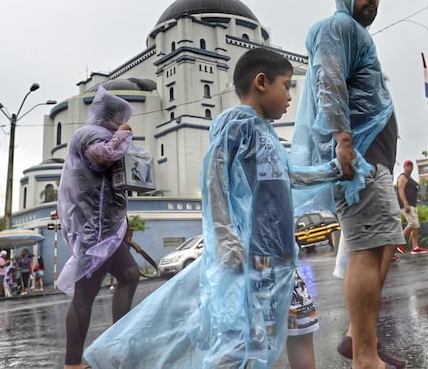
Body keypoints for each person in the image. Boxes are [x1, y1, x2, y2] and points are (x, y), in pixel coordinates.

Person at [82, 48, 341, 369]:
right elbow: (215, 177)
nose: (289, 95)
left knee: (300, 328)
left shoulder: (268, 133)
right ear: (261, 82)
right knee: (241, 343)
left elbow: (291, 175)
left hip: (283, 257)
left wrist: (335, 169)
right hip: (251, 256)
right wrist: (226, 236)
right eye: (286, 85)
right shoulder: (237, 124)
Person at [291, 0, 406, 369]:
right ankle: (364, 357)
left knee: (384, 244)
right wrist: (343, 139)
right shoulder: (338, 27)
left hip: (374, 157)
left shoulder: (356, 33)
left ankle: (359, 340)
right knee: (366, 248)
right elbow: (330, 82)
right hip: (360, 158)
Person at [57, 85, 141, 369]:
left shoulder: (104, 133)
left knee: (129, 275)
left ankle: (118, 347)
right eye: (119, 116)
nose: (122, 120)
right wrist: (124, 133)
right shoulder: (89, 133)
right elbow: (103, 156)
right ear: (111, 115)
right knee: (85, 294)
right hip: (94, 229)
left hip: (107, 226)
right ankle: (72, 363)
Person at [396, 160, 426, 254]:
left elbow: (412, 192)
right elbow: (401, 190)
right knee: (412, 223)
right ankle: (399, 243)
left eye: (411, 165)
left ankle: (415, 247)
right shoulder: (403, 177)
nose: (410, 167)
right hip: (406, 205)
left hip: (413, 204)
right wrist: (405, 203)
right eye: (408, 165)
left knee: (416, 226)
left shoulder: (411, 179)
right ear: (404, 167)